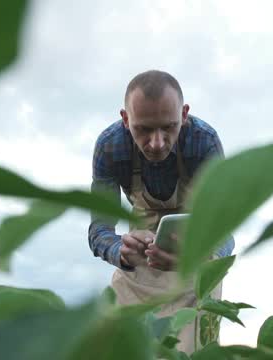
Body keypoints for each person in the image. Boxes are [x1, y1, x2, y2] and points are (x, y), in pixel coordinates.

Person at [88, 70, 234, 353]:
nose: (156, 143)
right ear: (126, 119)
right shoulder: (109, 147)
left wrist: (202, 256)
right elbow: (99, 231)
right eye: (143, 130)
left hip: (196, 267)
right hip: (139, 266)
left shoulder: (204, 142)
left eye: (169, 128)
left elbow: (223, 226)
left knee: (196, 352)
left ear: (184, 115)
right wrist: (120, 250)